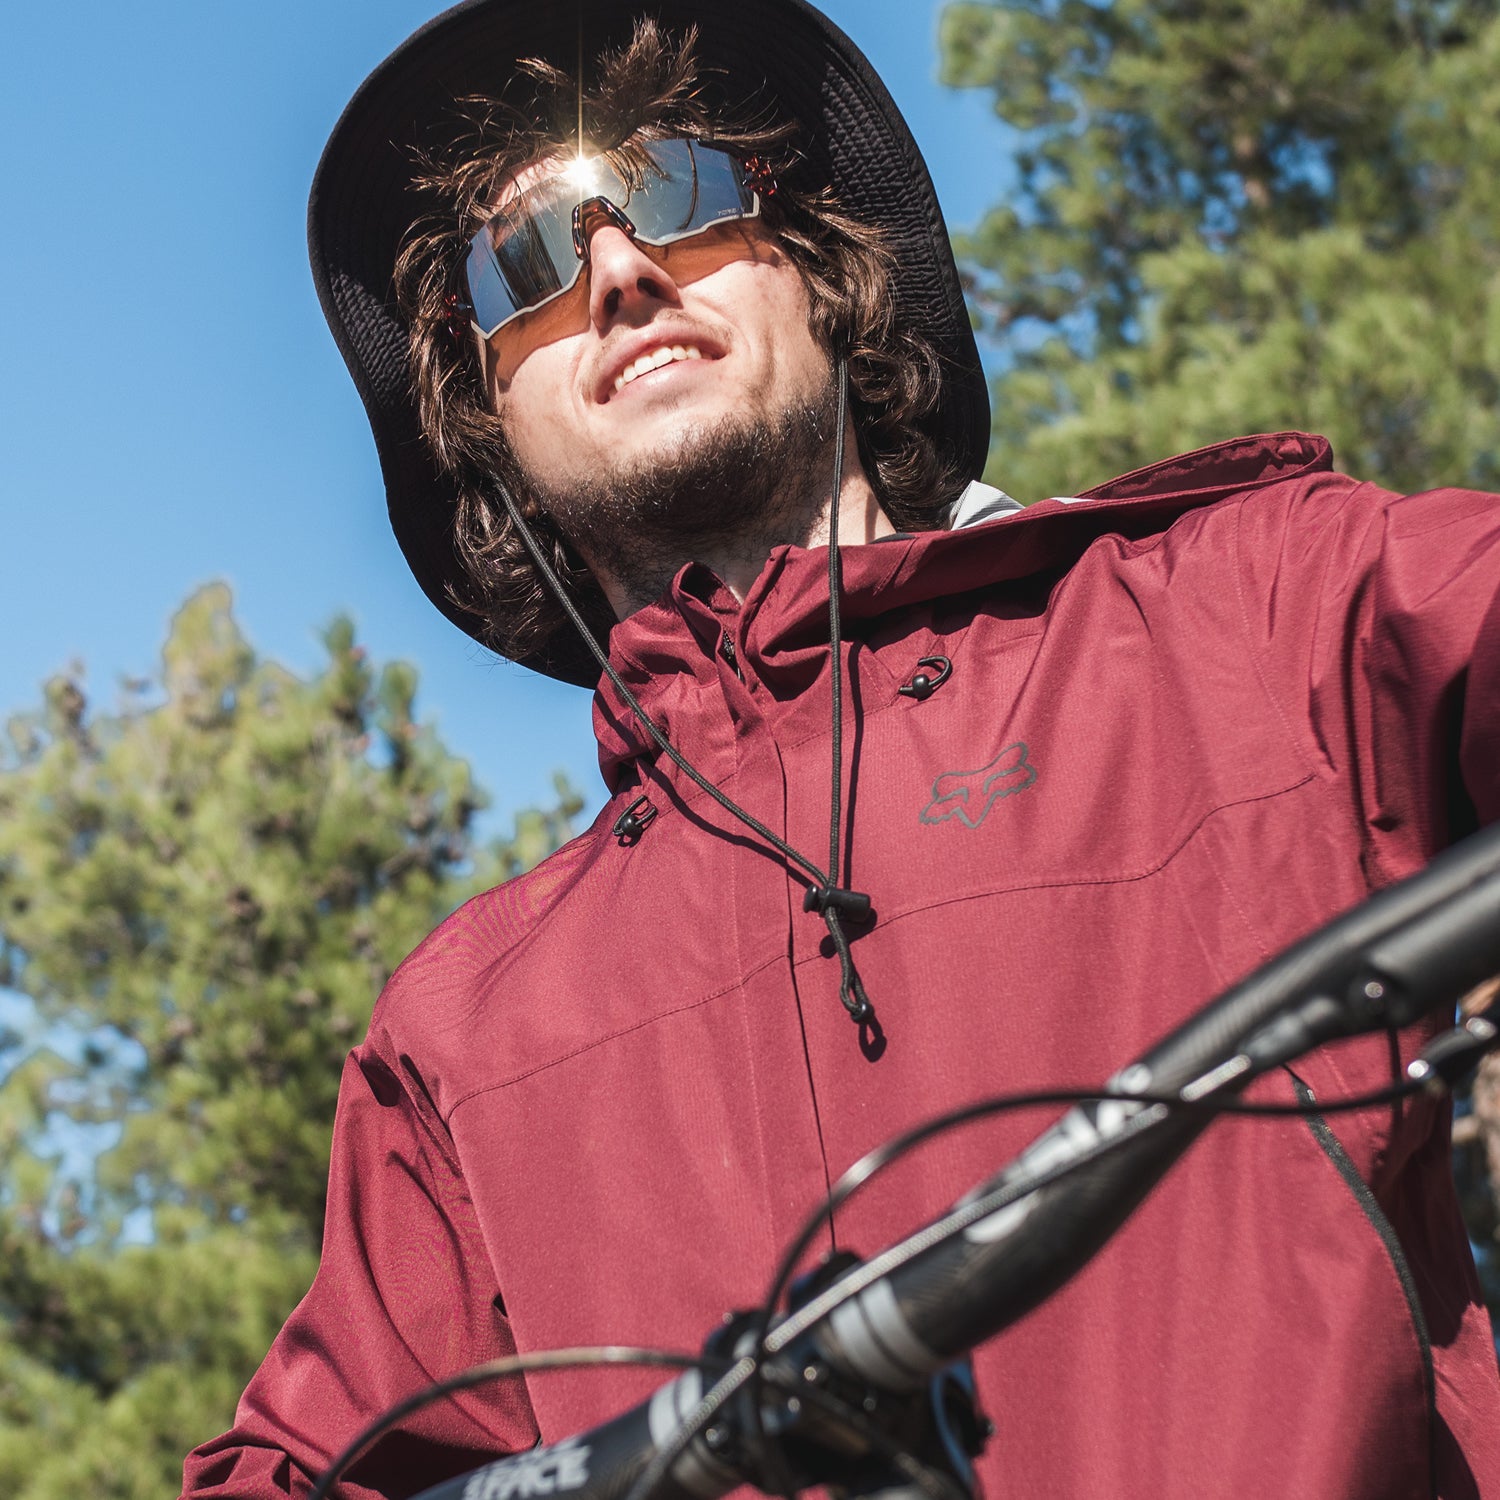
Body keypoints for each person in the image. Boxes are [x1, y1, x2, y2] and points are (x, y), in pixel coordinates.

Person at [182, 0, 1500, 1496]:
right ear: (487, 424)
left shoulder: (1247, 618)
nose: (618, 272)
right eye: (523, 263)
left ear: (825, 279)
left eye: (679, 190)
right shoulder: (460, 1033)